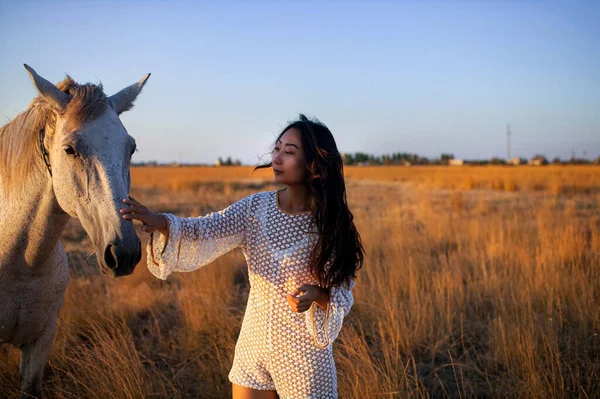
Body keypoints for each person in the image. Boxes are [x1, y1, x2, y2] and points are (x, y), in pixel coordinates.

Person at [120, 114, 364, 399]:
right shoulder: (255, 208)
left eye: (289, 152)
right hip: (253, 347)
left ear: (313, 164)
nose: (277, 158)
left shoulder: (330, 223)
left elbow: (343, 290)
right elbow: (205, 229)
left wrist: (317, 294)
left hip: (304, 358)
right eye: (277, 149)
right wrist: (160, 221)